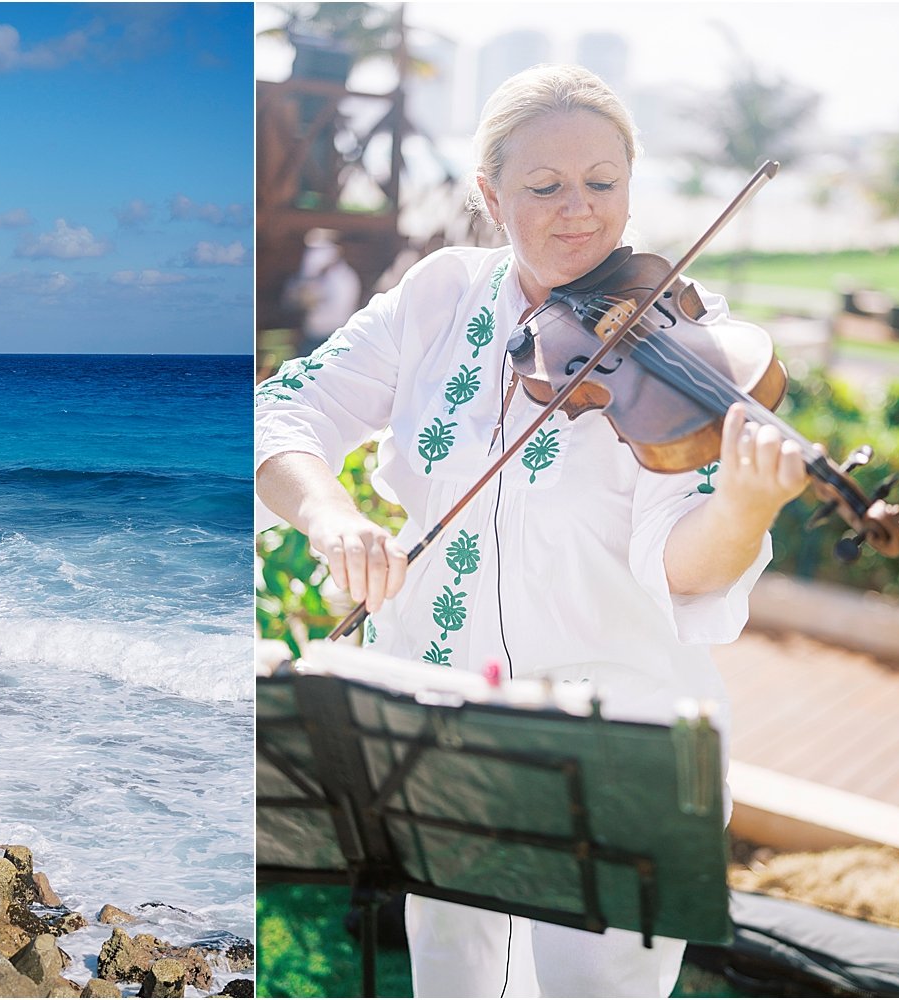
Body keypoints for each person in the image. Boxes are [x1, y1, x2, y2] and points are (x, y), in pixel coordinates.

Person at [255, 64, 806, 998]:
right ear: (489, 195)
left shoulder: (690, 346)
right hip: (436, 731)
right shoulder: (438, 297)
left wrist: (744, 509)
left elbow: (684, 565)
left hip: (612, 744)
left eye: (604, 183)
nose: (580, 213)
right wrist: (331, 514)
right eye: (545, 188)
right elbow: (285, 411)